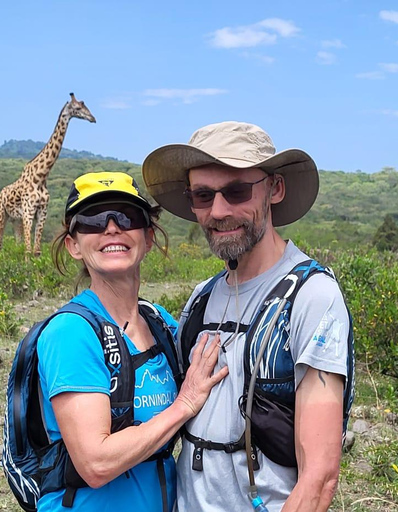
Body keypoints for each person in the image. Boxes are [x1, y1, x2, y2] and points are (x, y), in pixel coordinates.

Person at [142, 122, 354, 512]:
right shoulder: (202, 299)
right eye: (203, 195)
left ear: (275, 189)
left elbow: (319, 478)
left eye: (237, 191)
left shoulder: (310, 297)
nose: (218, 211)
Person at [36, 171, 228, 511]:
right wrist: (183, 405)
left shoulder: (161, 326)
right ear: (73, 245)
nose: (112, 227)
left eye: (128, 217)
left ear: (148, 236)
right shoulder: (71, 333)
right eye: (93, 220)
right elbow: (96, 464)